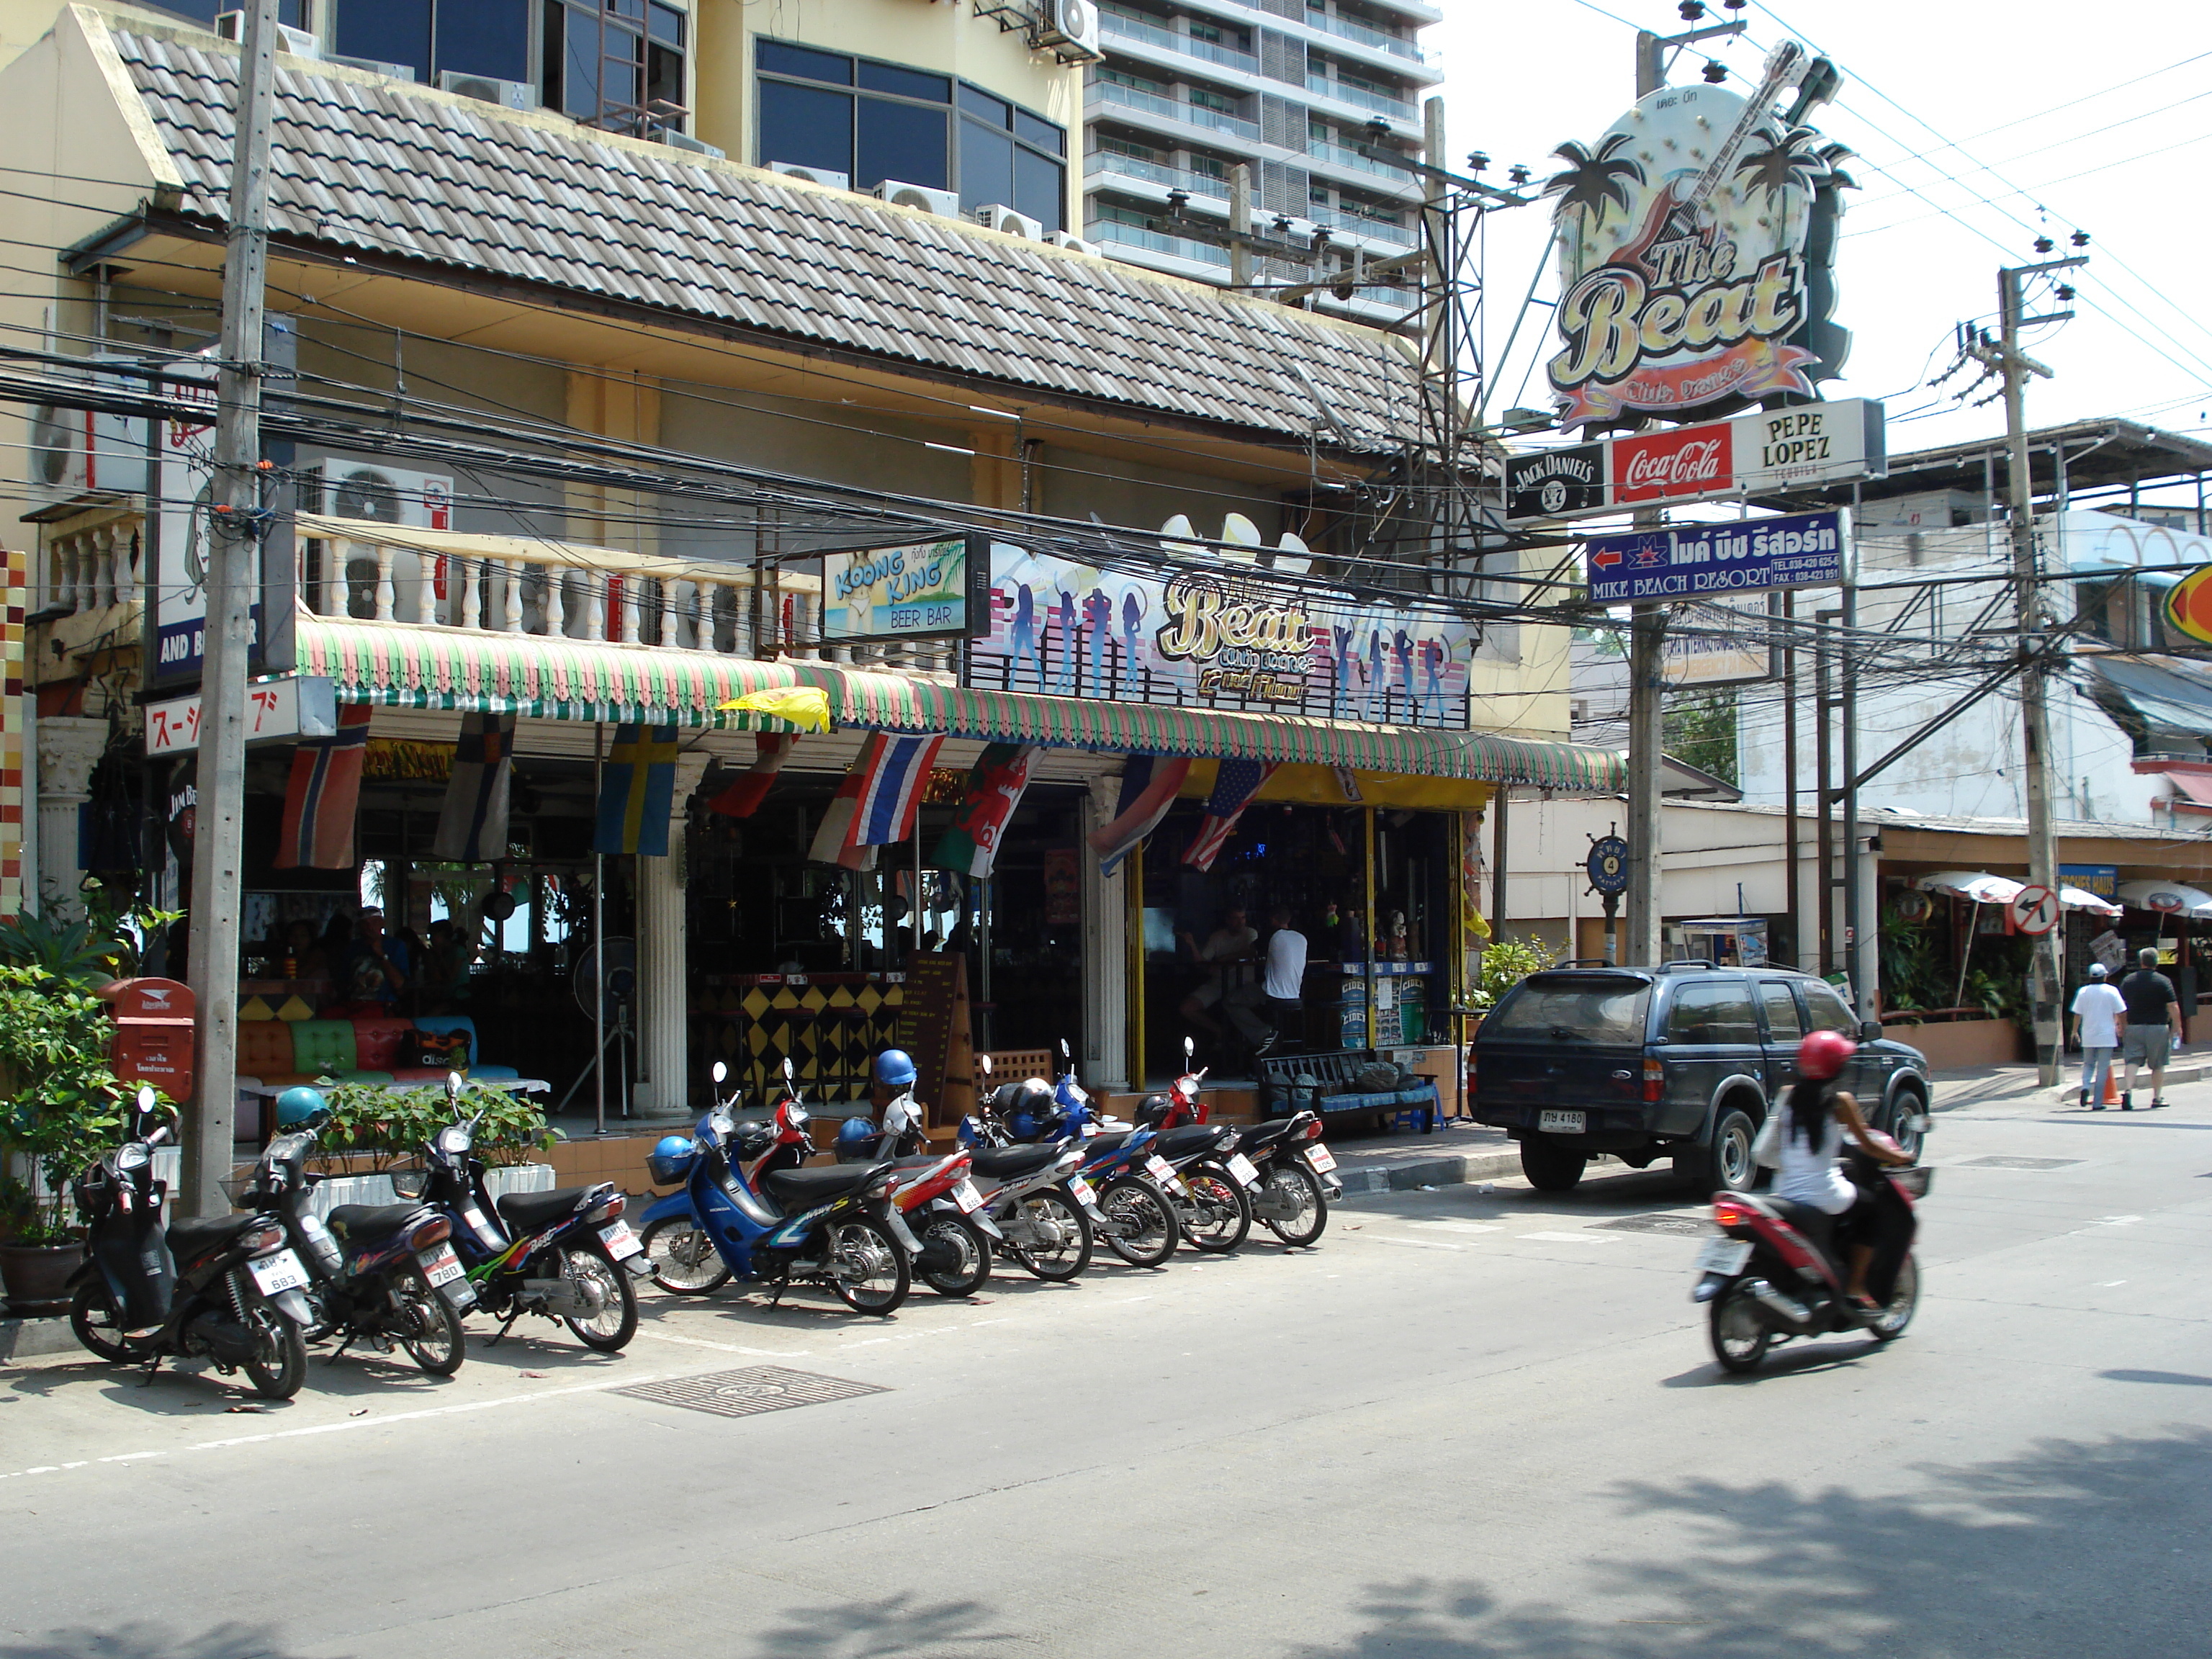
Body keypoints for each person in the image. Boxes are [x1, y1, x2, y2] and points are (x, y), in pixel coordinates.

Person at [1776, 1029, 1916, 1312]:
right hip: (1823, 1194)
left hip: (1784, 1192)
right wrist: (1903, 1157)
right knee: (1873, 1212)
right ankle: (1855, 1286)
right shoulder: (1841, 1102)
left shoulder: (1787, 1096)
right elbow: (1869, 1146)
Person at [1177, 907, 1257, 1043]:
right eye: (1236, 918)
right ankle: (1220, 1032)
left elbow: (1251, 953)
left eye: (1243, 918)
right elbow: (1202, 963)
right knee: (1187, 1008)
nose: (1240, 922)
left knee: (1234, 1005)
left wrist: (1223, 960)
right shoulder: (1218, 936)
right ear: (1227, 920)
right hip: (1218, 982)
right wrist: (1191, 944)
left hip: (1244, 983)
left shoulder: (1251, 933)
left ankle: (1244, 1044)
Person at [1234, 904, 1308, 1056]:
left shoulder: (1272, 935)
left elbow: (1251, 951)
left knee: (1231, 1001)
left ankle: (1264, 1033)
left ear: (1273, 919)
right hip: (1295, 994)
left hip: (1271, 993)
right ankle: (1270, 1037)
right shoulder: (1301, 938)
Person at [2118, 945, 2180, 1110]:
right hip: (2157, 1028)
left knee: (2132, 1061)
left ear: (2141, 962)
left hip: (2134, 1027)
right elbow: (2173, 1006)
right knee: (2158, 1064)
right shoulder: (2163, 981)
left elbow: (2122, 1007)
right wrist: (2177, 1028)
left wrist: (2122, 1026)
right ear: (2156, 962)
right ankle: (2157, 1097)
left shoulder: (2128, 981)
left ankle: (2128, 1090)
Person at [2070, 962, 2126, 1110]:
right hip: (2107, 1036)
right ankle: (2097, 1102)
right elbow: (2121, 1011)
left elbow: (2077, 1014)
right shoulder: (2112, 991)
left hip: (2088, 1034)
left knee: (2088, 1065)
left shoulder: (2083, 992)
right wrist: (2123, 1029)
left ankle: (2085, 1086)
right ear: (2105, 976)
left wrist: (2074, 1032)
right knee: (2103, 1068)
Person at [343, 907, 410, 1005]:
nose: (370, 928)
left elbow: (399, 984)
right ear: (359, 927)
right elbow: (343, 981)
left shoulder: (395, 945)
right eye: (365, 924)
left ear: (382, 923)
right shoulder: (352, 948)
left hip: (383, 1004)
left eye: (375, 922)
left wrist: (381, 954)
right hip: (354, 1002)